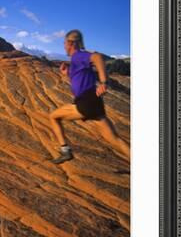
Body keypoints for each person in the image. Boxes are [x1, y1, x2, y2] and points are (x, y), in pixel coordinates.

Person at [48, 29, 130, 164]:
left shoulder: (78, 56)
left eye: (64, 43)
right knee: (115, 139)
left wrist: (104, 82)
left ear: (71, 43)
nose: (63, 46)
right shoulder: (76, 61)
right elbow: (80, 80)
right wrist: (67, 74)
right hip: (95, 103)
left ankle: (65, 151)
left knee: (53, 117)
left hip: (85, 102)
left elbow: (97, 57)